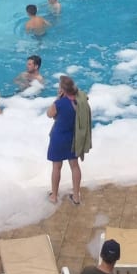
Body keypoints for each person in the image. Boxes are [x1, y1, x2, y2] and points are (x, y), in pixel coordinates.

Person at [47, 75, 86, 205]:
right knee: (74, 165)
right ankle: (76, 196)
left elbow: (49, 114)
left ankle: (54, 196)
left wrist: (58, 98)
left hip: (58, 138)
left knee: (56, 167)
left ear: (62, 89)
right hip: (73, 137)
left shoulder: (59, 103)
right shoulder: (80, 102)